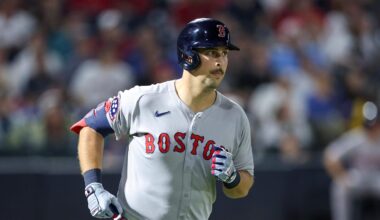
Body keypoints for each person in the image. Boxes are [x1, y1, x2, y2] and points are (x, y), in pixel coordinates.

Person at [70, 18, 254, 220]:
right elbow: (90, 126)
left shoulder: (235, 116)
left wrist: (233, 178)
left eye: (224, 53)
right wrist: (93, 186)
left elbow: (242, 189)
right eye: (212, 53)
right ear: (189, 55)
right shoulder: (145, 99)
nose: (221, 61)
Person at [323, 101, 380, 220]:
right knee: (339, 187)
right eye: (369, 125)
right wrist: (341, 175)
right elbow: (330, 155)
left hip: (376, 178)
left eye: (375, 125)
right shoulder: (357, 137)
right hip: (358, 176)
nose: (372, 128)